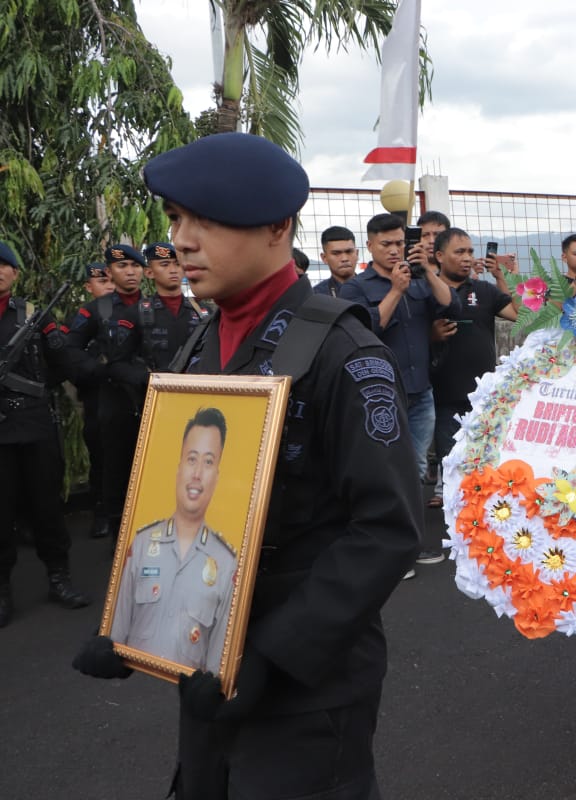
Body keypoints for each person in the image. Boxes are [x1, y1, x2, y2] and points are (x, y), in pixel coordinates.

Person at [72, 132, 421, 799]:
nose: (182, 240)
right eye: (177, 219)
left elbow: (386, 528)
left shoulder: (344, 352)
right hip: (203, 661)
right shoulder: (205, 340)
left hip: (305, 684)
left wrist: (273, 653)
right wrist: (131, 627)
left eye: (208, 220)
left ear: (276, 227)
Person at [340, 212, 459, 509]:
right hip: (382, 395)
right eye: (386, 244)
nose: (394, 250)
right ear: (369, 245)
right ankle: (389, 537)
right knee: (386, 470)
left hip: (420, 391)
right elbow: (367, 328)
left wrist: (429, 271)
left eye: (399, 243)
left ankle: (413, 537)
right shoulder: (356, 287)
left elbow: (451, 306)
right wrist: (395, 291)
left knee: (417, 469)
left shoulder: (417, 280)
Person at [0, 241, 91, 627]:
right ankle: (2, 591)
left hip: (36, 427)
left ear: (16, 274)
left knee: (47, 508)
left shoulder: (35, 316)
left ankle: (59, 578)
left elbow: (63, 364)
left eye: (5, 266)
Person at [109, 408, 236, 672]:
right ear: (178, 468)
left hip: (188, 694)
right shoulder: (141, 543)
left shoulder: (226, 563)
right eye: (191, 459)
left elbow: (215, 667)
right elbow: (113, 636)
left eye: (209, 462)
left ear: (217, 477)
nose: (198, 473)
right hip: (127, 685)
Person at [63, 243, 149, 547]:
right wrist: (99, 372)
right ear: (110, 272)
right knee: (110, 462)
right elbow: (70, 349)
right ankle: (111, 522)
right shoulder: (97, 309)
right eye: (122, 267)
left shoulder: (152, 306)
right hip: (109, 396)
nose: (130, 272)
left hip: (148, 395)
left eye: (135, 266)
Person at [428, 228, 516, 511]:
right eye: (459, 252)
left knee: (485, 459)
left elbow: (518, 314)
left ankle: (483, 516)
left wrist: (501, 276)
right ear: (440, 256)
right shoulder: (425, 291)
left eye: (470, 252)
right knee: (451, 459)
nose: (467, 258)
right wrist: (431, 336)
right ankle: (455, 524)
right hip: (443, 396)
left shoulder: (484, 291)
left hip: (482, 397)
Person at [80, 261, 115, 538]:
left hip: (128, 396)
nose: (110, 287)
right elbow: (68, 355)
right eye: (103, 282)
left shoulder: (132, 309)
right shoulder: (88, 315)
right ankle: (102, 512)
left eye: (111, 281)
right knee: (101, 458)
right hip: (97, 395)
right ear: (89, 287)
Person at [139, 242, 210, 374]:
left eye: (177, 264)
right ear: (149, 272)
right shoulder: (137, 312)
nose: (173, 270)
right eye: (165, 265)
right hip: (152, 388)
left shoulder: (203, 312)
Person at [313, 225, 358, 297]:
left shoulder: (373, 287)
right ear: (324, 258)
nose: (344, 259)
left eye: (349, 252)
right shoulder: (317, 295)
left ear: (357, 253)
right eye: (336, 253)